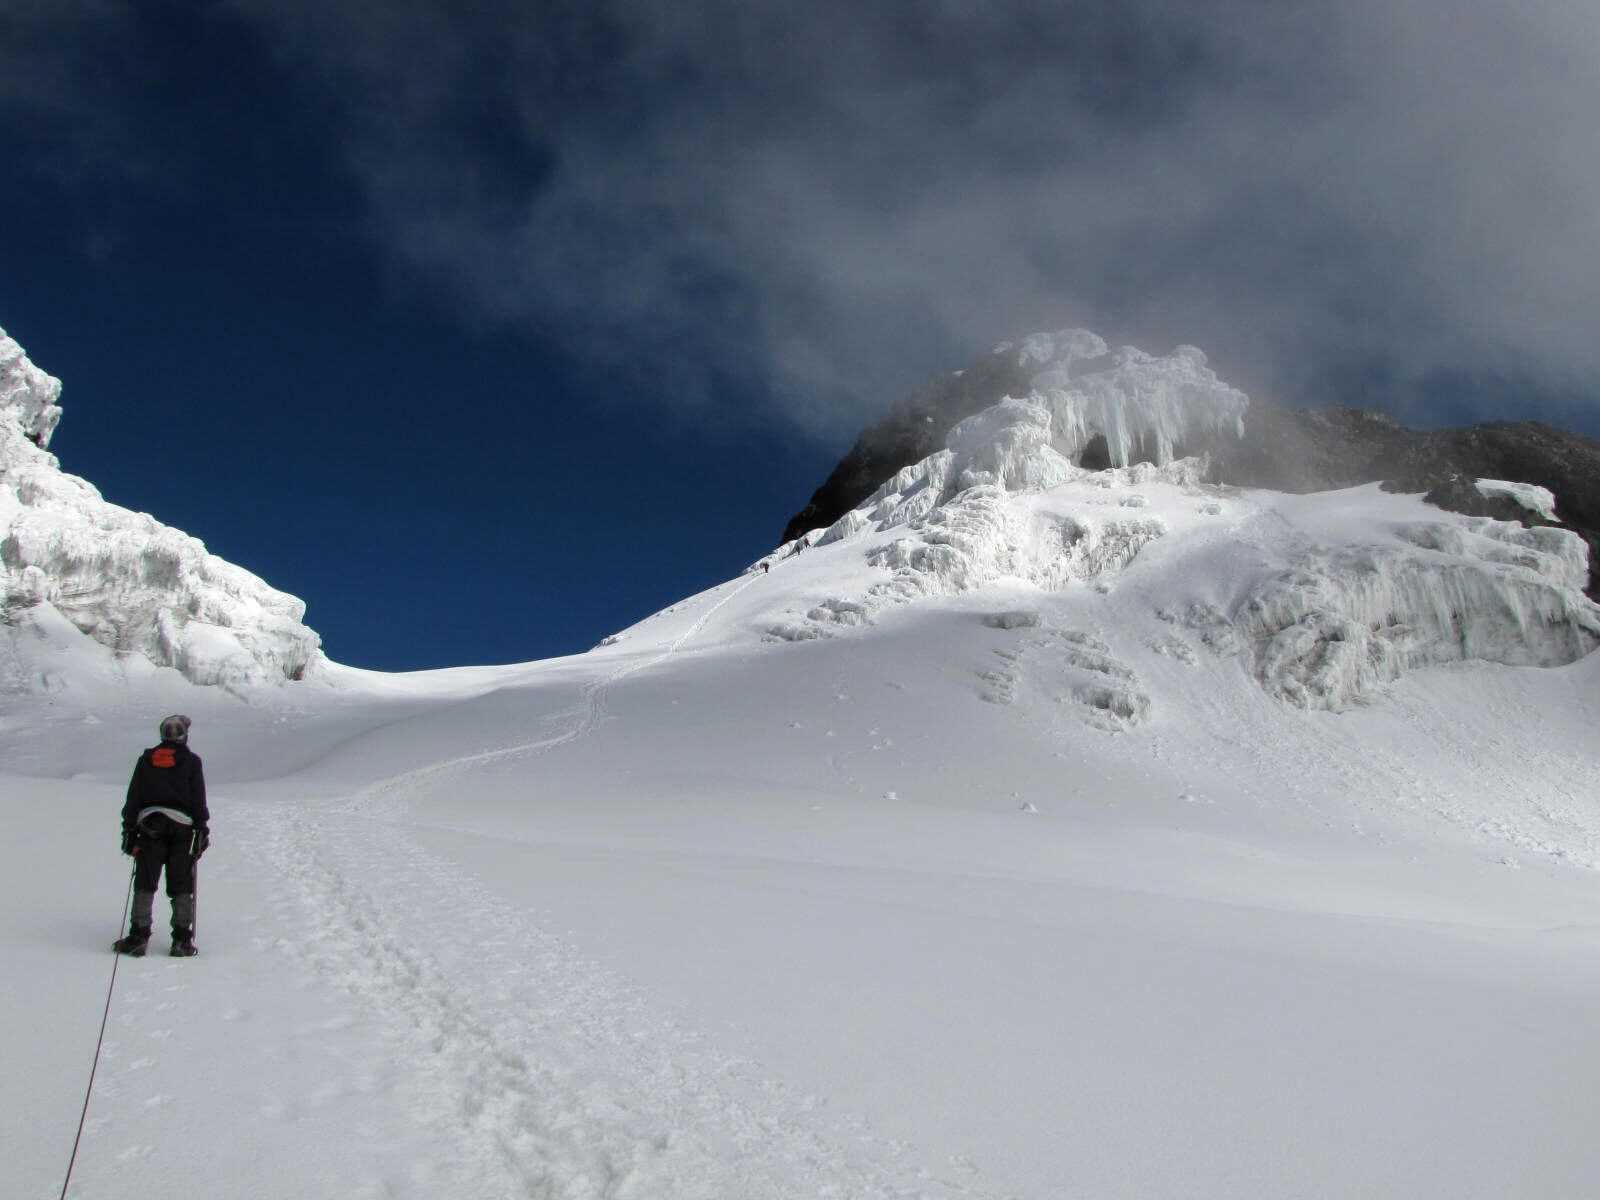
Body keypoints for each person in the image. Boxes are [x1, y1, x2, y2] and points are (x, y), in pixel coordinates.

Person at [114, 715, 209, 957]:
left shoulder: (146, 760)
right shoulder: (191, 761)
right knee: (181, 883)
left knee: (145, 881)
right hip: (184, 828)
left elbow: (134, 797)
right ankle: (181, 941)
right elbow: (198, 799)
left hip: (149, 826)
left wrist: (129, 829)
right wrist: (202, 829)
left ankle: (138, 936)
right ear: (184, 736)